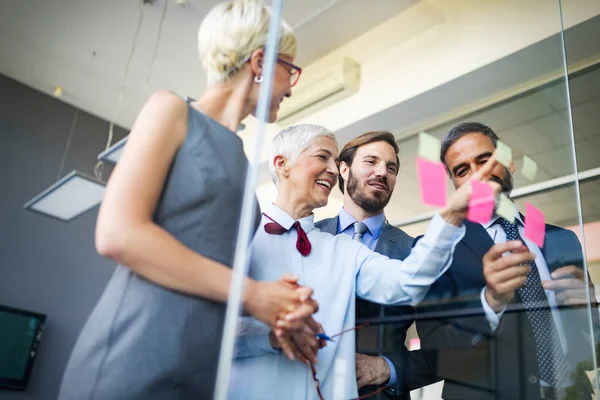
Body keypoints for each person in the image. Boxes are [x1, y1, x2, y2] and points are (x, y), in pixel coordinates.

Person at [58, 1, 318, 399]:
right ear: (261, 62)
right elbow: (118, 234)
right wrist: (251, 293)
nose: (292, 85)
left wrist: (275, 304)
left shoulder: (240, 156)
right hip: (134, 358)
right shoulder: (172, 109)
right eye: (291, 69)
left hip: (198, 369)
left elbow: (209, 266)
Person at [230, 124, 501, 400]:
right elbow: (207, 331)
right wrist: (270, 337)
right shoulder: (241, 237)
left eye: (391, 168)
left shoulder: (357, 250)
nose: (332, 170)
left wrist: (450, 216)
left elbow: (411, 289)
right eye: (370, 161)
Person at [416, 122, 599, 400]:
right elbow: (435, 352)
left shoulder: (561, 240)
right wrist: (489, 303)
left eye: (485, 159)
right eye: (463, 170)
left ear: (509, 162)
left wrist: (587, 311)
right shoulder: (436, 249)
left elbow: (591, 350)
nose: (478, 174)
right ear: (455, 184)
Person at [315, 131, 440, 399]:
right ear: (344, 169)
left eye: (391, 168)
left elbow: (444, 353)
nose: (382, 172)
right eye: (371, 162)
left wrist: (388, 367)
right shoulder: (309, 237)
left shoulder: (415, 252)